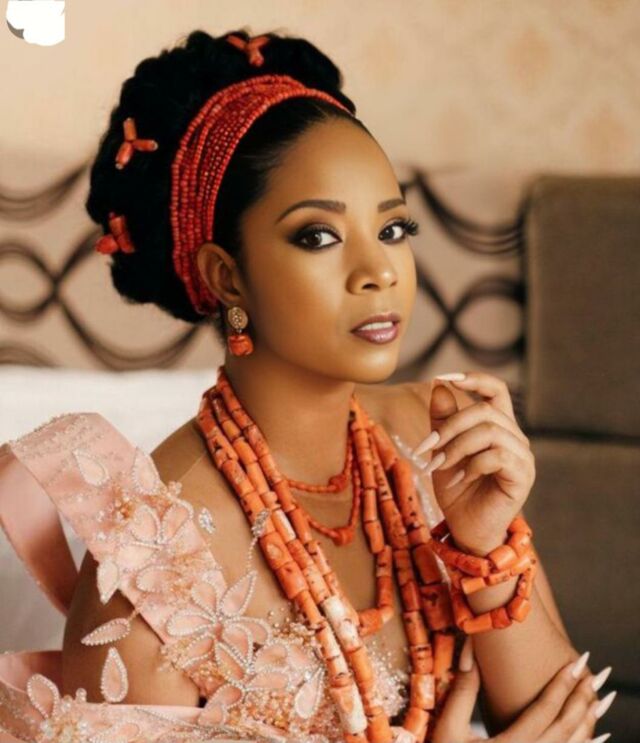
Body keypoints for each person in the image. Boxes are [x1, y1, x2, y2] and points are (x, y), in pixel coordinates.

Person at [0, 27, 614, 743]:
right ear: (228, 276)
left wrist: (484, 544)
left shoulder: (437, 436)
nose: (378, 272)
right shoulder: (150, 554)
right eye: (319, 236)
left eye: (394, 229)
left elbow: (568, 724)